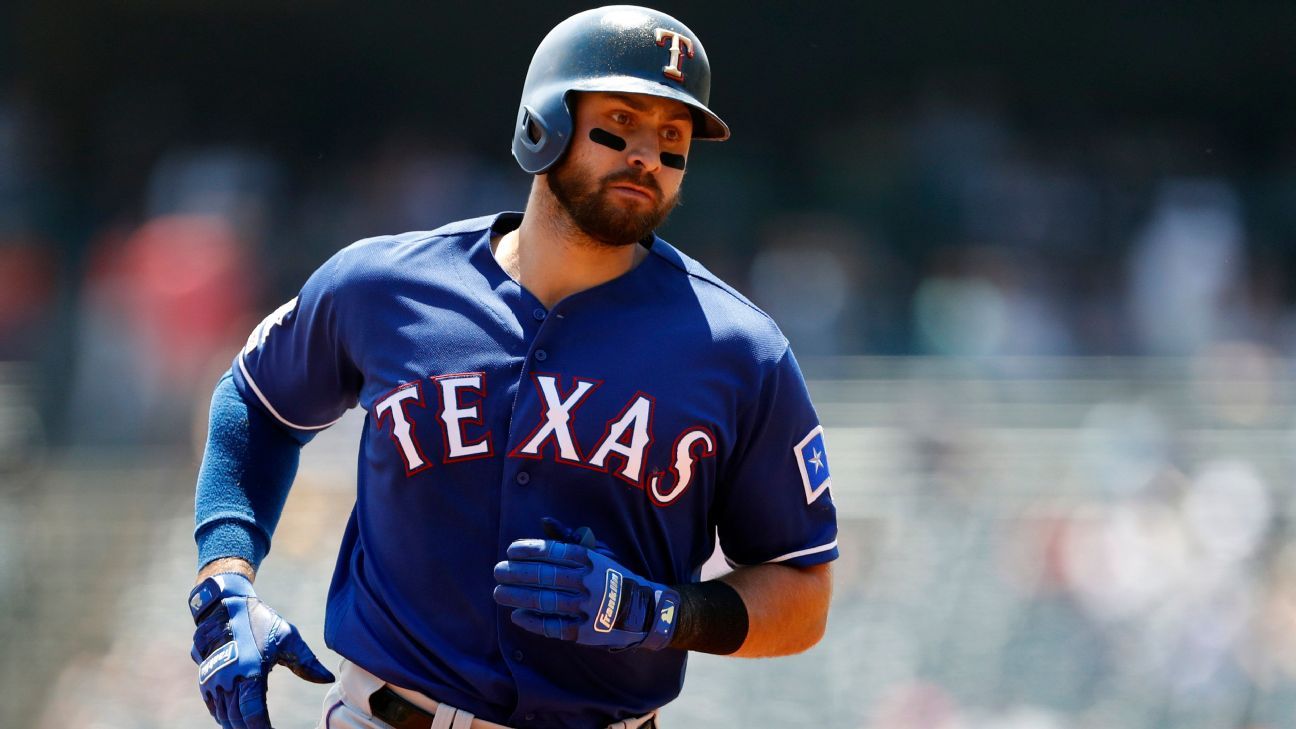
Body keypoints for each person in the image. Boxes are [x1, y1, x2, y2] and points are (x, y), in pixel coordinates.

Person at [188, 6, 839, 729]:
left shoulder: (738, 348)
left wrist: (664, 612)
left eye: (673, 137)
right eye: (622, 120)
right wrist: (226, 579)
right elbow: (254, 403)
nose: (647, 155)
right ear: (543, 124)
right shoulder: (383, 286)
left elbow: (802, 589)